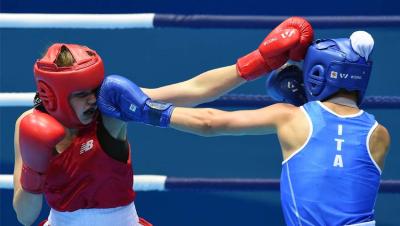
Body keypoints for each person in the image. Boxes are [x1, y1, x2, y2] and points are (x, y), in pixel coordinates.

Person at [12, 17, 313, 226]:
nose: (94, 99)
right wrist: (33, 170)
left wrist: (258, 61)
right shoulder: (28, 125)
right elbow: (25, 216)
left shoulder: (109, 106)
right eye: (82, 94)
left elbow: (193, 90)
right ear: (54, 96)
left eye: (95, 89)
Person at [97, 30, 390, 226]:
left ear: (317, 72)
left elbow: (211, 122)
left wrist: (151, 112)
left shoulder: (290, 117)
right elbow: (337, 164)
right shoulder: (379, 134)